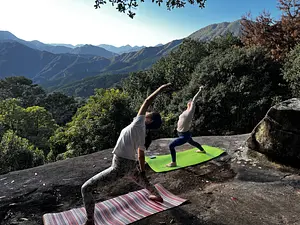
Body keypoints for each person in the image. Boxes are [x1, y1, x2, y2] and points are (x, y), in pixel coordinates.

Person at [81, 83, 171, 225]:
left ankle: (90, 220)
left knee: (86, 188)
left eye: (148, 114)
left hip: (120, 166)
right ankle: (157, 196)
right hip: (129, 165)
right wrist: (142, 171)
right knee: (143, 181)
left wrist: (160, 89)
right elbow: (141, 155)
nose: (146, 112)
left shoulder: (138, 123)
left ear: (149, 120)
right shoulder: (143, 132)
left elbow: (147, 101)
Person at [166, 86, 206, 167]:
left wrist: (200, 90)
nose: (189, 102)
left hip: (184, 135)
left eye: (191, 102)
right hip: (182, 133)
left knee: (171, 146)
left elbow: (194, 99)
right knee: (192, 142)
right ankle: (202, 150)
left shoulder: (190, 112)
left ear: (192, 105)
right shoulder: (186, 111)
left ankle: (174, 162)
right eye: (189, 102)